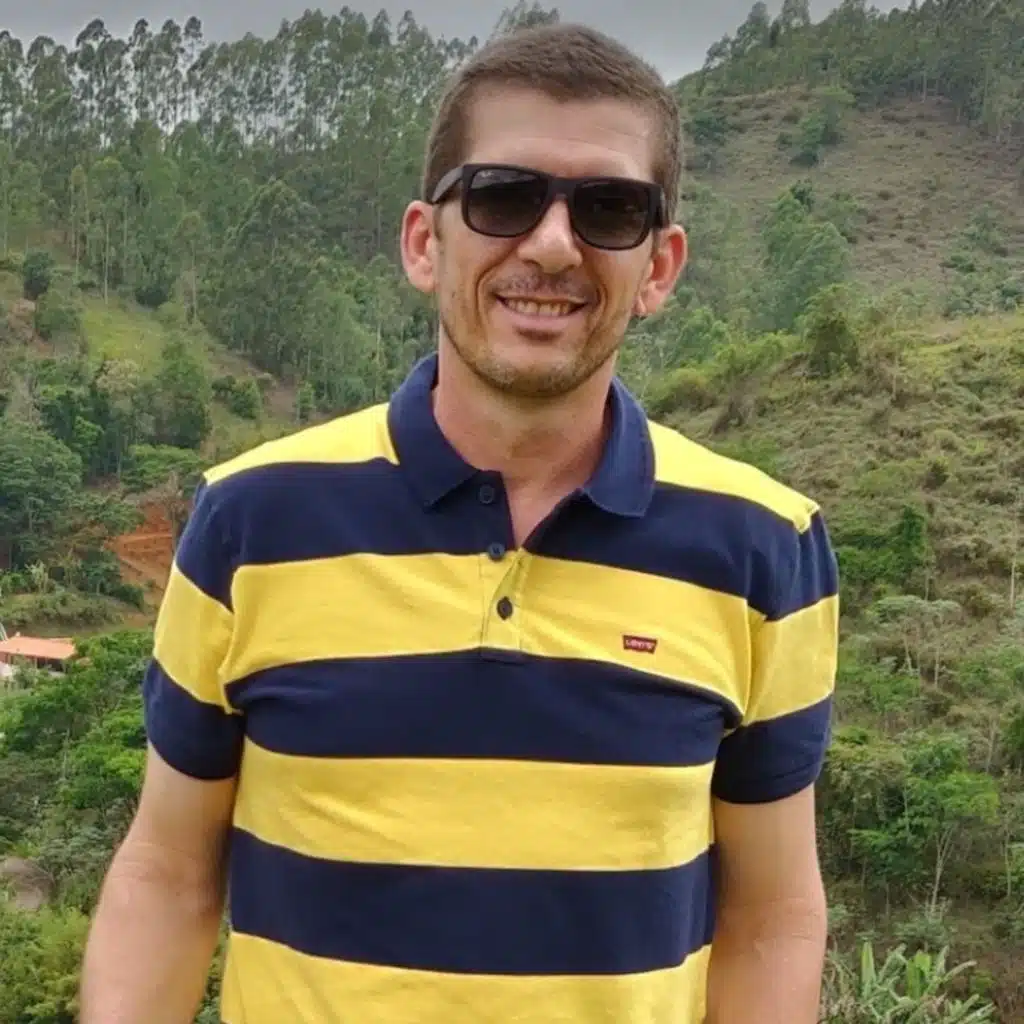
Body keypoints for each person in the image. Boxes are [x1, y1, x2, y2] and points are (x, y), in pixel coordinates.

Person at [79, 22, 839, 1024]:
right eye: (502, 196)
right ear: (423, 243)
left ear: (659, 266)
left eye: (609, 209)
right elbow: (169, 873)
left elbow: (770, 916)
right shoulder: (252, 519)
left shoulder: (763, 546)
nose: (553, 244)